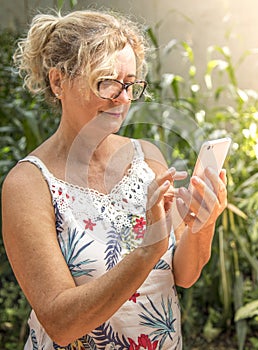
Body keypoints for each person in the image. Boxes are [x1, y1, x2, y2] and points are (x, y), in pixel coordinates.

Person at [1, 8, 227, 350]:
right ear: (58, 81)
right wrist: (150, 247)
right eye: (106, 82)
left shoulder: (147, 156)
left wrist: (203, 223)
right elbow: (61, 324)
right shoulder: (28, 184)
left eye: (130, 84)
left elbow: (184, 274)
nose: (122, 99)